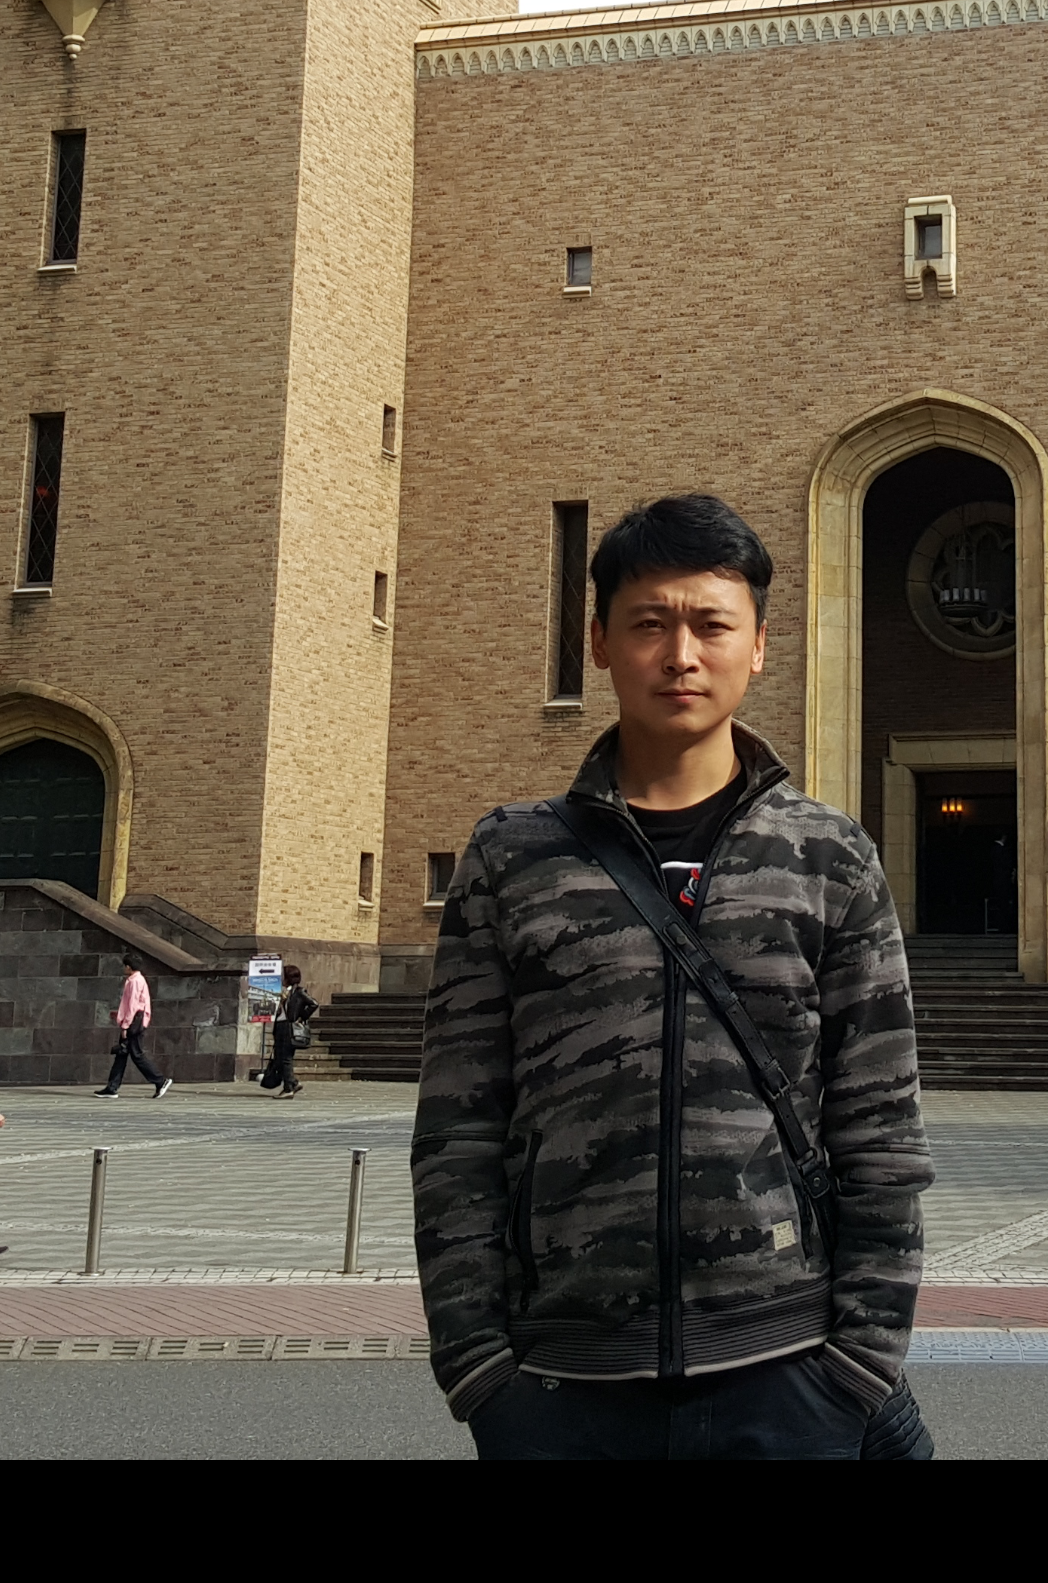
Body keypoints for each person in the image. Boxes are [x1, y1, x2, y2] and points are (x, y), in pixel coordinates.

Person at [413, 492, 936, 1462]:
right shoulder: (512, 857)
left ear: (760, 646)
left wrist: (858, 1369)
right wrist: (479, 1371)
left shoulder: (830, 857)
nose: (681, 654)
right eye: (650, 623)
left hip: (787, 1373)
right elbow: (458, 1129)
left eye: (711, 625)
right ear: (599, 641)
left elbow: (882, 1129)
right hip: (565, 1382)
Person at [96, 953, 172, 1099]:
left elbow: (133, 1005)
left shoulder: (135, 981)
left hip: (134, 1022)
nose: (124, 968)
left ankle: (160, 1080)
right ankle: (112, 1087)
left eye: (125, 966)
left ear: (128, 967)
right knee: (122, 1053)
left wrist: (125, 1025)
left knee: (136, 1054)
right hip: (135, 1020)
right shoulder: (136, 980)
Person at [260, 964, 315, 1099]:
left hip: (288, 1027)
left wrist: (301, 1017)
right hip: (280, 1026)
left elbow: (314, 1004)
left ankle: (289, 1088)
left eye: (283, 976)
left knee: (286, 1058)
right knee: (280, 1057)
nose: (281, 978)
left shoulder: (298, 992)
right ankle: (292, 1083)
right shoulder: (283, 991)